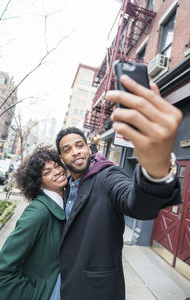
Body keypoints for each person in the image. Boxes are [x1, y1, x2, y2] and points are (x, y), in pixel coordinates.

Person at [54, 76, 182, 300]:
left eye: (79, 145)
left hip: (94, 290)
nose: (76, 151)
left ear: (88, 148)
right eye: (68, 149)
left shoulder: (107, 175)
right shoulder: (64, 186)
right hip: (61, 283)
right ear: (62, 157)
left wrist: (156, 166)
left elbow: (136, 204)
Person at [0, 145, 67, 300]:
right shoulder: (38, 213)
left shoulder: (63, 204)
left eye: (57, 166)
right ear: (39, 183)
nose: (57, 171)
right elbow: (1, 272)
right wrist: (33, 296)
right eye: (47, 172)